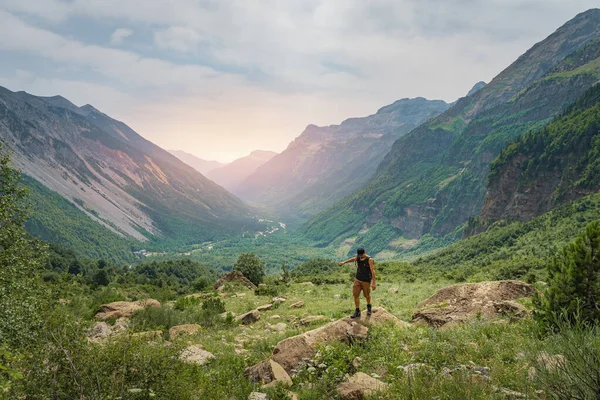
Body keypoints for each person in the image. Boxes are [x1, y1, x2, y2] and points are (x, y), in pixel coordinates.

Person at [339, 247, 376, 318]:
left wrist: (374, 282)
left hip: (366, 280)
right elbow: (353, 259)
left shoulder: (369, 260)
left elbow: (372, 271)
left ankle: (369, 307)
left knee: (367, 295)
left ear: (364, 253)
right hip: (358, 279)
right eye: (359, 255)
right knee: (355, 294)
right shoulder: (358, 256)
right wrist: (344, 262)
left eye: (361, 255)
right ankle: (357, 311)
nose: (360, 257)